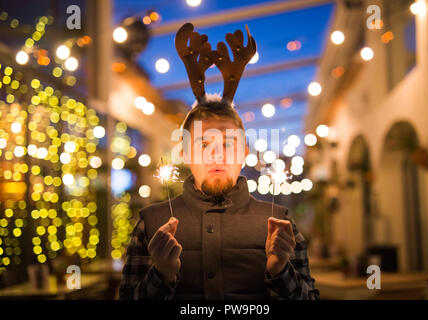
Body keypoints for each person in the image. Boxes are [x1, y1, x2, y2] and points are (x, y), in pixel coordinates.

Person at [118, 22, 319, 300]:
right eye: (204, 144)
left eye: (227, 143)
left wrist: (280, 270)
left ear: (244, 151)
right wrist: (160, 276)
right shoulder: (151, 224)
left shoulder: (279, 225)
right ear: (186, 153)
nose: (216, 154)